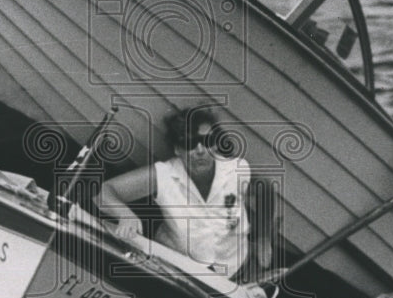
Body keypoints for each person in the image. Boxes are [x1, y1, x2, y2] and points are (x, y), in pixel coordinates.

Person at [94, 106, 274, 280]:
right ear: (177, 149)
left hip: (235, 267)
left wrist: (264, 236)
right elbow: (102, 192)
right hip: (178, 271)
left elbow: (264, 188)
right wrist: (125, 214)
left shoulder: (236, 170)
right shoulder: (164, 175)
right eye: (190, 143)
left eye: (207, 141)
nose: (200, 150)